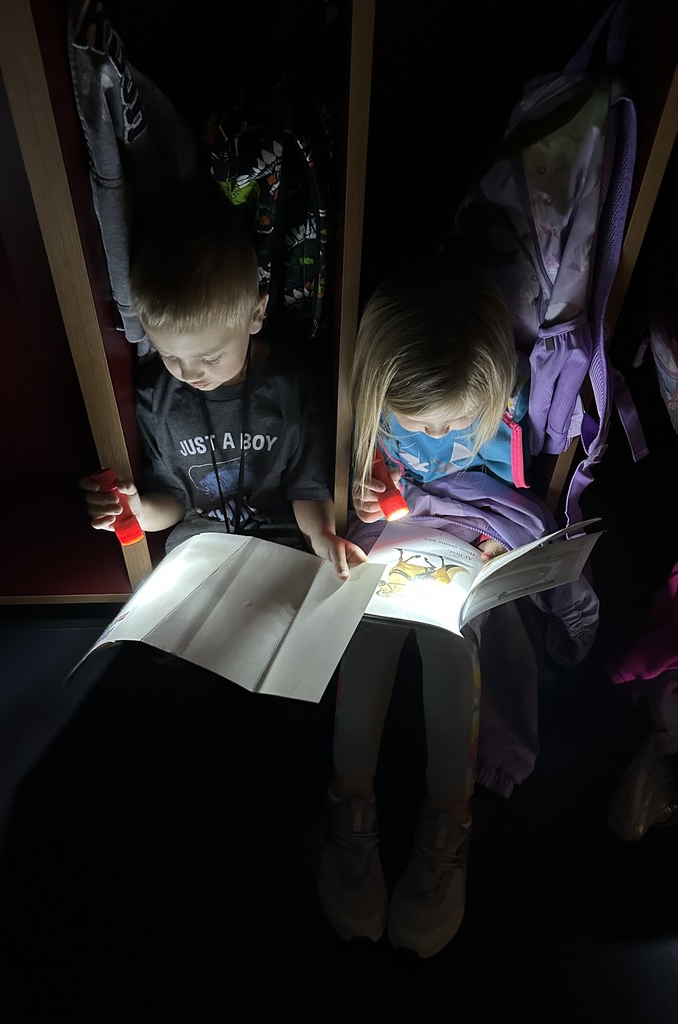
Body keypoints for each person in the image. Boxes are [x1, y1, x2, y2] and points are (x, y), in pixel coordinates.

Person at [317, 252, 599, 957]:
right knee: (369, 630)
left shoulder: (501, 405)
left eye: (453, 425)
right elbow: (380, 478)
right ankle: (353, 803)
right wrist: (372, 494)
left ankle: (449, 817)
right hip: (393, 537)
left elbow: (507, 497)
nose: (437, 436)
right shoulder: (379, 405)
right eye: (423, 425)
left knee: (454, 639)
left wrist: (496, 551)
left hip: (468, 541)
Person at [79, 174, 366, 581]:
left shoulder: (295, 387)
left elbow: (308, 488)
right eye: (170, 355)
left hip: (282, 548)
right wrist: (139, 511)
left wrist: (323, 538)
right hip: (202, 558)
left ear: (255, 315)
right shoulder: (156, 398)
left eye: (209, 357)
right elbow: (173, 499)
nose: (190, 372)